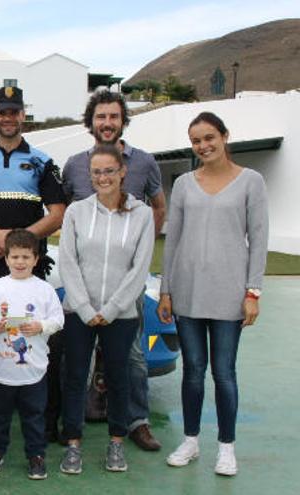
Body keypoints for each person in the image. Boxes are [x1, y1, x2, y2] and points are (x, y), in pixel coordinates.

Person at [159, 112, 268, 477]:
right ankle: (190, 441)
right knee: (193, 372)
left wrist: (253, 291)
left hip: (228, 295)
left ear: (224, 136)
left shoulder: (251, 182)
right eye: (195, 141)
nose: (203, 146)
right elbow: (172, 242)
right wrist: (166, 291)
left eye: (209, 138)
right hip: (187, 296)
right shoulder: (186, 185)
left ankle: (226, 448)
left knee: (224, 373)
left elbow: (259, 240)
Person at [61, 89, 167, 451]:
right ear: (91, 121)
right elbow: (69, 236)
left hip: (124, 291)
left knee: (132, 360)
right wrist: (86, 305)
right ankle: (72, 430)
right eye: (100, 116)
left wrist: (139, 241)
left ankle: (136, 422)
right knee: (76, 367)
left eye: (114, 116)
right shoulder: (74, 165)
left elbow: (158, 208)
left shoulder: (145, 162)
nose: (107, 123)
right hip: (83, 293)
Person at [57, 145, 155, 474]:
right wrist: (84, 308)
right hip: (79, 313)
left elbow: (140, 267)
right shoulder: (76, 212)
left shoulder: (142, 214)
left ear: (122, 172)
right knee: (74, 377)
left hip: (121, 314)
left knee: (119, 377)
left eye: (109, 171)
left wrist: (112, 308)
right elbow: (68, 262)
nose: (103, 178)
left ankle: (116, 443)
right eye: (96, 172)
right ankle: (72, 446)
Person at [0, 85, 66, 306]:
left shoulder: (42, 161)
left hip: (28, 262)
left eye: (14, 112)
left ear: (23, 115)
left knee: (28, 328)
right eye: (2, 113)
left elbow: (58, 214)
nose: (8, 118)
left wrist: (16, 242)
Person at [0, 229, 64, 480]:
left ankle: (36, 456)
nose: (20, 262)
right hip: (0, 370)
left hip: (32, 371)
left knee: (34, 417)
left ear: (36, 259)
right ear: (6, 258)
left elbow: (57, 320)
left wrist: (41, 326)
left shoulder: (44, 290)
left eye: (26, 257)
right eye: (15, 257)